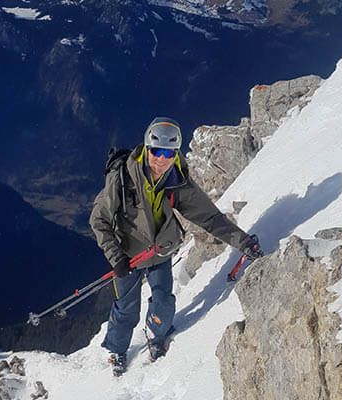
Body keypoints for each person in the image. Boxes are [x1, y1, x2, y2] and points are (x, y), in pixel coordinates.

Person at [89, 117, 263, 376]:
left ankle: (156, 335)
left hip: (159, 251)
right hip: (127, 256)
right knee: (126, 308)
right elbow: (98, 220)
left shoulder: (177, 182)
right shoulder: (123, 177)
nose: (162, 159)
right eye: (157, 151)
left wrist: (244, 242)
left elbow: (210, 218)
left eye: (169, 153)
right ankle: (117, 348)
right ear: (147, 148)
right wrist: (116, 257)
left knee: (163, 302)